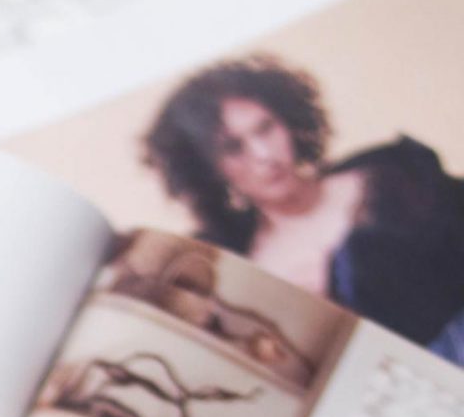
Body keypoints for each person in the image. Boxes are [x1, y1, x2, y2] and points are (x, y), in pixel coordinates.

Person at [142, 55, 464, 358]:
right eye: (233, 147)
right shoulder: (248, 269)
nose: (264, 155)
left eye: (265, 128)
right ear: (209, 169)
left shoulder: (394, 175)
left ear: (289, 121)